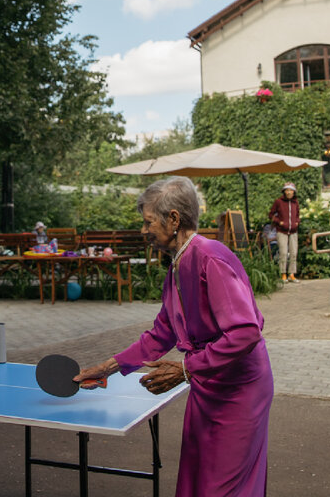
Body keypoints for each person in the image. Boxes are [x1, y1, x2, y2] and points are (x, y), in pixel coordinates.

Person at [75, 177, 272, 496]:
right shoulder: (177, 266)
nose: (143, 230)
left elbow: (245, 331)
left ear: (174, 219)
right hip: (206, 384)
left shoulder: (211, 257)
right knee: (198, 478)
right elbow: (162, 333)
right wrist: (108, 366)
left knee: (222, 486)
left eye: (148, 222)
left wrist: (186, 369)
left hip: (240, 388)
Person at [269, 182, 301, 283]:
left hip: (293, 231)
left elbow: (298, 215)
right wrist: (279, 222)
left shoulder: (295, 203)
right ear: (284, 191)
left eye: (290, 190)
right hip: (281, 231)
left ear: (294, 192)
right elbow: (271, 214)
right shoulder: (278, 202)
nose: (289, 192)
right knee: (283, 253)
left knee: (293, 253)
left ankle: (292, 274)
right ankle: (283, 274)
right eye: (287, 190)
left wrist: (297, 222)